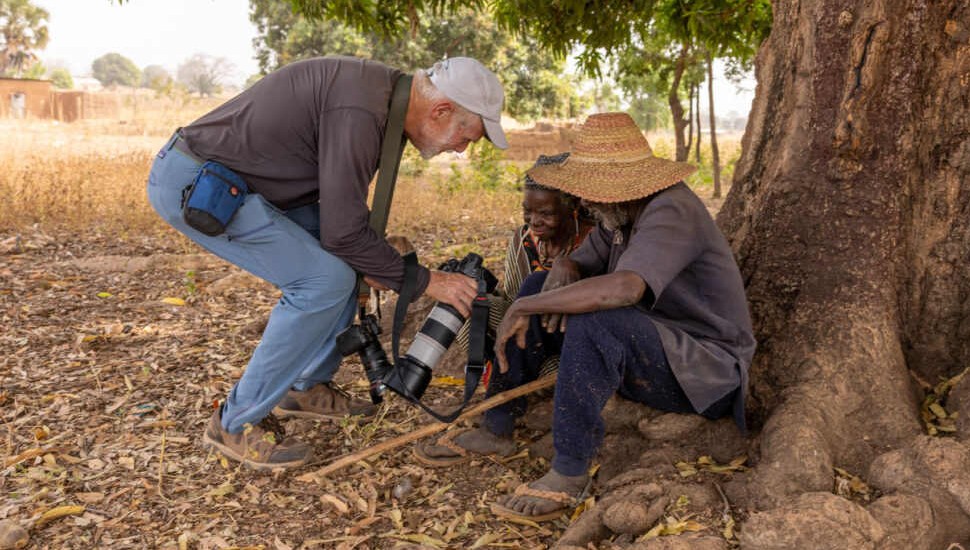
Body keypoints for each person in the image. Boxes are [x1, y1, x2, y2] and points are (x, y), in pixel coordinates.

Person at [146, 56, 509, 471]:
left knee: (348, 263)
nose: (461, 149)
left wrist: (382, 264)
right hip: (199, 183)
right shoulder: (362, 110)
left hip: (241, 186)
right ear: (441, 110)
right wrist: (427, 281)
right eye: (467, 136)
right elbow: (342, 233)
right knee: (323, 280)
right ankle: (234, 422)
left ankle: (305, 388)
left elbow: (348, 225)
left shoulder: (382, 99)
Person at [414, 112, 755, 522]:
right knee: (537, 288)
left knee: (591, 318)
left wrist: (525, 308)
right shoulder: (619, 214)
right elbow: (580, 263)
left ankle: (570, 471)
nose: (585, 204)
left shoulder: (671, 210)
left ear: (620, 187)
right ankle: (497, 426)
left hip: (703, 374)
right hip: (653, 351)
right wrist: (567, 266)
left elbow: (625, 289)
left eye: (591, 194)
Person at [448, 152, 595, 372]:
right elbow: (511, 300)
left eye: (546, 213)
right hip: (522, 327)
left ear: (573, 204)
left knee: (560, 368)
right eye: (527, 210)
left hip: (566, 337)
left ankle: (523, 373)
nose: (534, 221)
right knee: (464, 305)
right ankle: (502, 367)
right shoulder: (523, 239)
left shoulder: (595, 241)